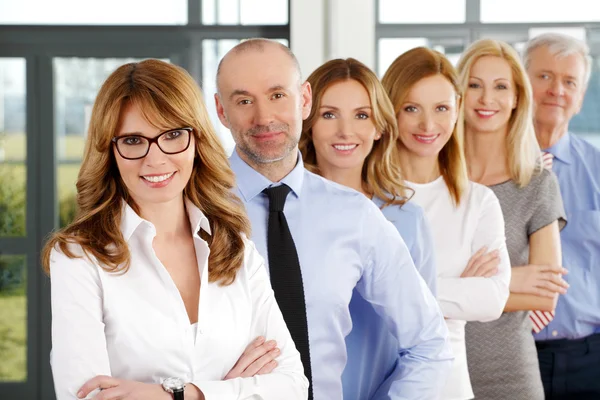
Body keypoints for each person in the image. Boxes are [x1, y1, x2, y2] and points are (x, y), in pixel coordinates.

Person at [42, 59, 308, 400]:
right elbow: (87, 397)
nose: (155, 159)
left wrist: (181, 394)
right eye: (134, 140)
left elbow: (292, 386)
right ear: (110, 150)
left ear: (196, 140)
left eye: (173, 135)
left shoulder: (236, 248)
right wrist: (230, 388)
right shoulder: (80, 258)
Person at [214, 38, 453, 400]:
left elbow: (430, 341)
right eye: (244, 100)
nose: (263, 118)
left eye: (278, 95)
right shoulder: (193, 210)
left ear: (304, 99)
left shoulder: (355, 215)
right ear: (220, 110)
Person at [297, 57, 438, 399]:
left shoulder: (407, 220)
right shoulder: (278, 212)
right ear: (308, 123)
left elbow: (427, 339)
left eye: (361, 115)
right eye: (329, 115)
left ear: (378, 128)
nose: (346, 131)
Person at [381, 47, 512, 400]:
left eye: (441, 108)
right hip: (376, 384)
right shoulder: (366, 198)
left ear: (456, 108)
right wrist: (458, 288)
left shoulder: (478, 201)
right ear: (391, 110)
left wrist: (390, 291)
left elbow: (491, 300)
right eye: (411, 108)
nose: (428, 125)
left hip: (452, 387)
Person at [457, 38, 568, 400]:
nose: (487, 99)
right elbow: (408, 288)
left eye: (500, 87)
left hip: (512, 373)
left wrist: (451, 288)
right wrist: (511, 280)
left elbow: (545, 297)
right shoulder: (433, 178)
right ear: (459, 93)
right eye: (474, 85)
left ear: (518, 97)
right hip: (436, 367)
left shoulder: (537, 183)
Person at [524, 33, 600, 399]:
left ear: (580, 96)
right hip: (510, 353)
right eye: (544, 76)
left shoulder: (598, 170)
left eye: (569, 81)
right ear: (522, 83)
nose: (557, 89)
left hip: (590, 358)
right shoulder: (484, 169)